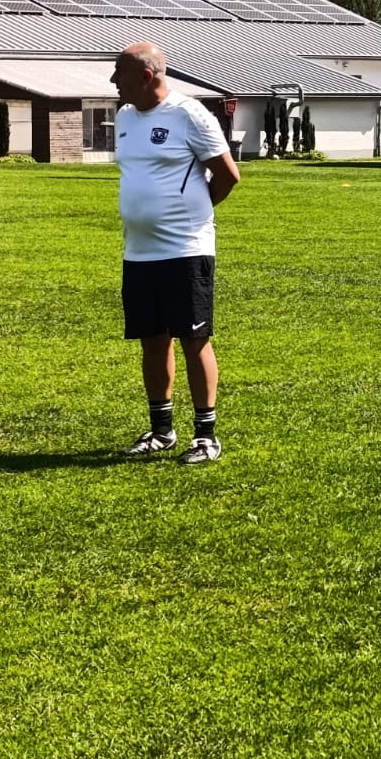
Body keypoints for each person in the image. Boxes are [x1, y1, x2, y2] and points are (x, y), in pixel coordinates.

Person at [111, 42, 241, 465]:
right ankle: (161, 430)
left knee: (193, 339)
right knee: (152, 340)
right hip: (139, 252)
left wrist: (192, 215)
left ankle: (206, 436)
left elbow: (228, 175)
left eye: (119, 73)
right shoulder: (125, 117)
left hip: (185, 249)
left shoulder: (189, 115)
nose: (113, 81)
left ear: (146, 77)